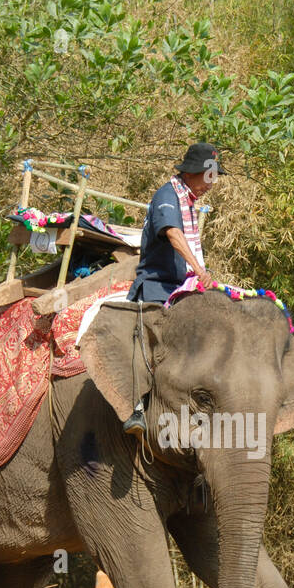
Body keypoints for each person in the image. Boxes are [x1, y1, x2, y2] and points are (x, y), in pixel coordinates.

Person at [122, 142, 223, 436]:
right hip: (157, 285)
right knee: (156, 342)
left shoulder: (188, 202)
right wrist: (200, 270)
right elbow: (173, 234)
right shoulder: (167, 195)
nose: (211, 184)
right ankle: (137, 408)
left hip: (181, 285)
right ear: (192, 172)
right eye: (209, 176)